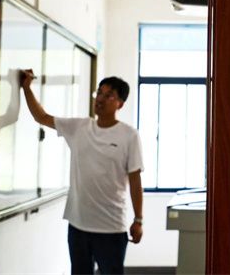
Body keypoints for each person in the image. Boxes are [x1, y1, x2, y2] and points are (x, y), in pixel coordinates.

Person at [20, 69, 143, 275]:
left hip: (111, 227)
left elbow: (135, 179)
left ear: (120, 104)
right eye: (99, 93)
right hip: (78, 226)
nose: (100, 99)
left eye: (109, 95)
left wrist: (138, 219)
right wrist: (26, 88)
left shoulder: (129, 136)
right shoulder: (79, 127)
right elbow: (41, 117)